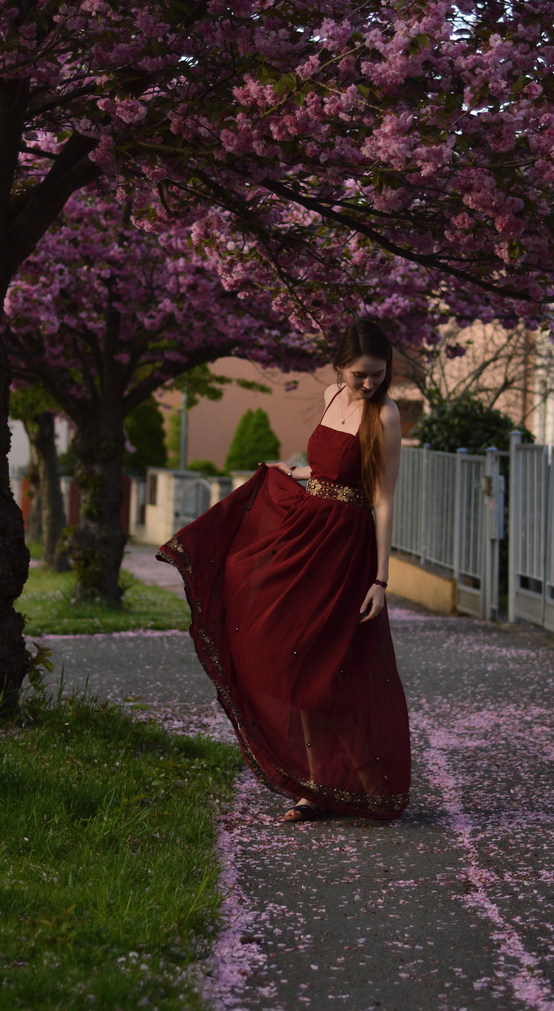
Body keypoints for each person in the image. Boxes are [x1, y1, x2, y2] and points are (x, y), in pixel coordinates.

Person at [157, 318, 411, 822]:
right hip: (306, 531)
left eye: (378, 374)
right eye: (361, 374)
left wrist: (381, 579)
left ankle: (364, 785)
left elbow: (382, 499)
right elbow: (327, 469)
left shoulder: (386, 414)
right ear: (340, 367)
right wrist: (292, 472)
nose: (369, 383)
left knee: (324, 670)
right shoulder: (331, 395)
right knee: (281, 651)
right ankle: (313, 786)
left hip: (345, 548)